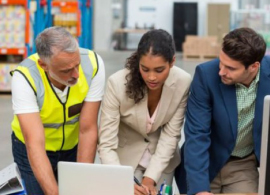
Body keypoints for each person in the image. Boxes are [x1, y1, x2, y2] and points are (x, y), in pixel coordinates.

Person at [175, 27, 270, 195]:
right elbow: (197, 134)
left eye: (231, 68)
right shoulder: (205, 75)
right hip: (205, 161)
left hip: (242, 164)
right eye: (221, 62)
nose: (221, 72)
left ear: (254, 66)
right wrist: (199, 190)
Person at [11, 26, 105, 195]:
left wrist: (82, 183)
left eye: (77, 65)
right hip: (32, 149)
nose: (76, 74)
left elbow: (87, 129)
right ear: (43, 65)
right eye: (66, 71)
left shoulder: (93, 65)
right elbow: (34, 143)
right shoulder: (25, 78)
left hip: (72, 147)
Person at [98, 29, 191, 195]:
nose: (152, 77)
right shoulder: (117, 84)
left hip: (162, 163)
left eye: (159, 70)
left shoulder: (183, 82)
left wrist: (151, 177)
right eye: (145, 69)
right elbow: (106, 143)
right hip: (124, 163)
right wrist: (120, 180)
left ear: (172, 62)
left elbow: (171, 135)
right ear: (138, 62)